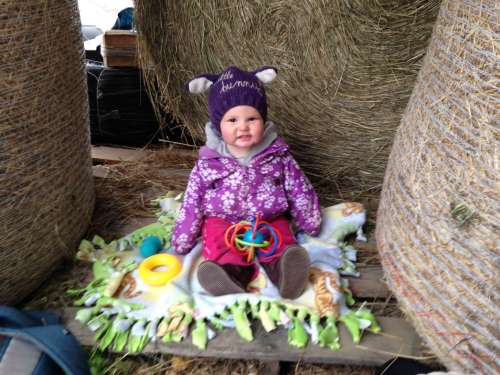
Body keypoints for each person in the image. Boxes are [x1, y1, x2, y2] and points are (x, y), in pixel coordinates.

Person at [172, 66, 322, 299]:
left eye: (252, 118)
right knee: (217, 240)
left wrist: (310, 220)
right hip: (223, 220)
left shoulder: (278, 155)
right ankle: (228, 274)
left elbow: (298, 187)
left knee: (280, 237)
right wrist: (183, 238)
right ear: (218, 125)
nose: (243, 126)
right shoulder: (209, 161)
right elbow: (193, 200)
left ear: (263, 119)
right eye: (232, 120)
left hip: (269, 218)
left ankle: (286, 270)